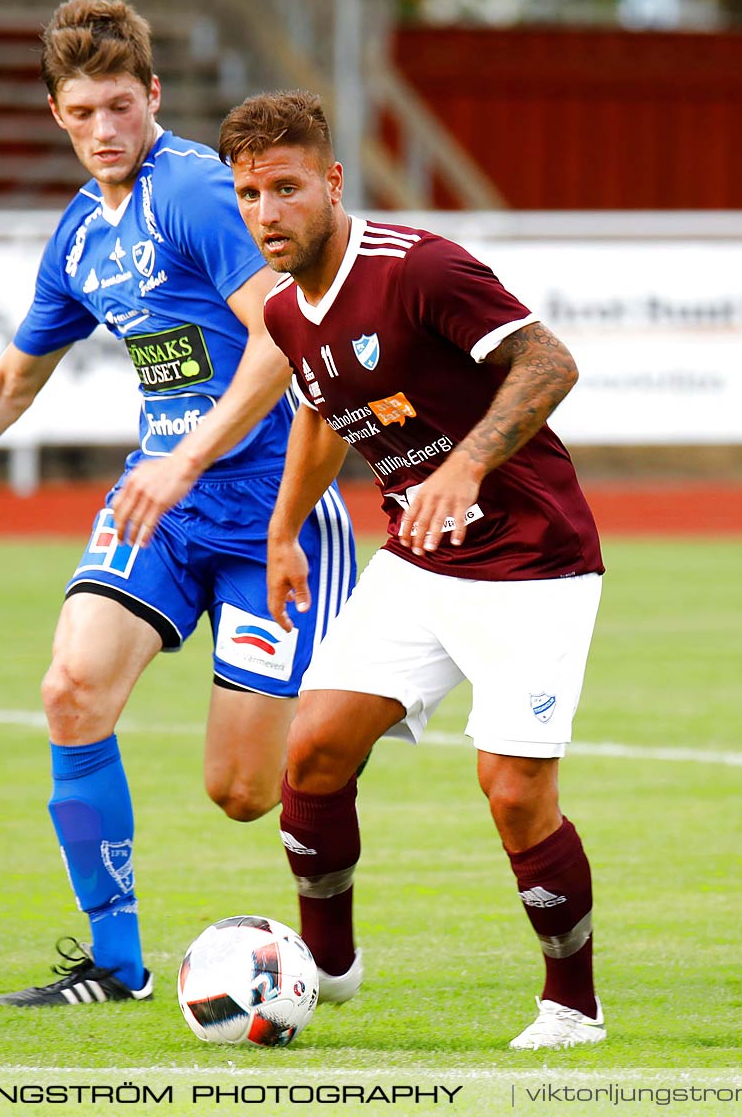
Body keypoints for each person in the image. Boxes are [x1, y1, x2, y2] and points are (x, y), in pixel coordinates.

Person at [0, 0, 354, 1008]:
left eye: (123, 105)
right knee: (70, 689)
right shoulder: (80, 236)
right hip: (160, 503)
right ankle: (116, 965)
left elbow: (282, 339)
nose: (107, 130)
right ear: (57, 115)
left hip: (270, 511)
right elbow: (10, 385)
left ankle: (356, 719)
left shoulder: (199, 190)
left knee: (242, 794)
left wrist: (187, 459)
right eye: (84, 113)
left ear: (154, 96)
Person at [217, 90, 608, 1050]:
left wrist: (468, 462)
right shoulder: (285, 313)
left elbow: (550, 361)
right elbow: (319, 415)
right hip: (419, 563)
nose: (269, 212)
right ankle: (326, 969)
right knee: (311, 752)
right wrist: (280, 534)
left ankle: (573, 1005)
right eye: (249, 194)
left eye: (287, 187)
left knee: (514, 792)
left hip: (532, 563)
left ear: (332, 182)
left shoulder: (418, 267)